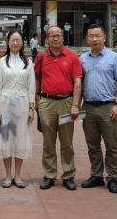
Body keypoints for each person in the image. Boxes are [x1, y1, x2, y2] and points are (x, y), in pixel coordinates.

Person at [79, 24, 117, 194]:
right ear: (87, 39)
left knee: (111, 145)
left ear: (104, 37)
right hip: (88, 107)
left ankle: (112, 178)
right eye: (91, 36)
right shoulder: (82, 59)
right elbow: (79, 83)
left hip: (108, 106)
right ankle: (96, 175)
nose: (94, 39)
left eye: (98, 35)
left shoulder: (114, 57)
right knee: (92, 145)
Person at [35, 25, 83, 191]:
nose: (55, 38)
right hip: (46, 103)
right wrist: (37, 99)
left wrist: (75, 104)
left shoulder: (72, 57)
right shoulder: (41, 56)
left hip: (66, 102)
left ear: (63, 37)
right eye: (52, 35)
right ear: (46, 39)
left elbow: (78, 82)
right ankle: (49, 175)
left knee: (67, 143)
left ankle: (68, 175)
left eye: (58, 35)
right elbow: (37, 78)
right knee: (48, 142)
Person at [0, 29, 36, 188]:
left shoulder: (28, 63)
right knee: (6, 139)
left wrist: (31, 108)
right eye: (13, 40)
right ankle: (7, 176)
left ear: (23, 42)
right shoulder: (1, 62)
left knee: (20, 139)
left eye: (18, 40)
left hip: (23, 105)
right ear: (8, 42)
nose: (16, 43)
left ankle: (17, 176)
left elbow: (31, 87)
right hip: (5, 104)